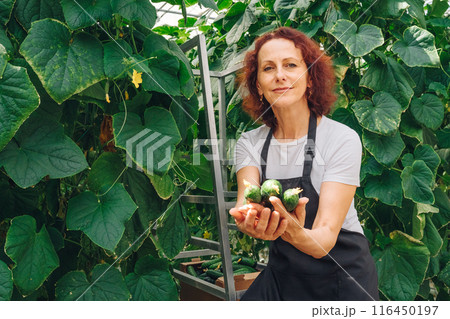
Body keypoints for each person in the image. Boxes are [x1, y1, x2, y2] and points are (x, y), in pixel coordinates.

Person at [229, 27, 379, 301]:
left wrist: (292, 231)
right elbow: (245, 202)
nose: (280, 75)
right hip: (282, 274)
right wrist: (247, 221)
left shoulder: (341, 139)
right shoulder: (250, 142)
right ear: (258, 85)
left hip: (341, 277)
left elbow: (324, 239)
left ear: (310, 79)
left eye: (291, 65)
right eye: (268, 68)